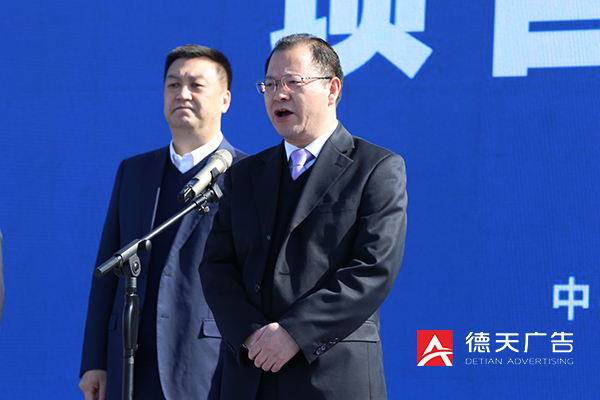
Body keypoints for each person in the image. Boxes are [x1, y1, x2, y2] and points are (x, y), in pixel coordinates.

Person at [199, 34, 407, 400]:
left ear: (332, 89)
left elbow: (373, 268)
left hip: (333, 377)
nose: (279, 94)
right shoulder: (244, 175)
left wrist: (295, 333)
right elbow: (217, 267)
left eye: (293, 82)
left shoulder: (376, 168)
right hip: (251, 374)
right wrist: (251, 334)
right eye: (270, 84)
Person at [79, 44, 246, 400]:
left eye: (196, 85)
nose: (182, 94)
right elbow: (108, 269)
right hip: (128, 364)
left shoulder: (247, 176)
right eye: (173, 84)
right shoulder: (134, 171)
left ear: (225, 99)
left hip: (206, 363)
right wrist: (94, 361)